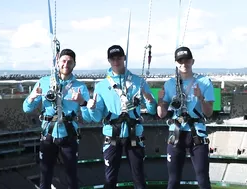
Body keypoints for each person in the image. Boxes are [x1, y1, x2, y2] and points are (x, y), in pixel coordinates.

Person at [87, 45, 157, 189]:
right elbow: (96, 117)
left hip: (134, 134)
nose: (116, 60)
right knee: (109, 180)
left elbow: (152, 110)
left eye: (119, 57)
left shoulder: (139, 82)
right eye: (113, 58)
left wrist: (149, 99)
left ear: (124, 58)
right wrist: (93, 108)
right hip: (112, 135)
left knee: (139, 179)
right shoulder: (101, 86)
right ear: (108, 60)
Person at [23, 49, 92, 189]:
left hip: (69, 135)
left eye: (70, 62)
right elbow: (26, 108)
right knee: (45, 175)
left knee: (71, 176)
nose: (66, 64)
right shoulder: (44, 82)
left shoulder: (80, 87)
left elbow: (88, 118)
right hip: (48, 134)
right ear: (58, 62)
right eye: (63, 61)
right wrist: (32, 97)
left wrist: (82, 103)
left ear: (74, 64)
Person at [157, 46, 214, 189]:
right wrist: (160, 100)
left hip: (197, 133)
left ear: (192, 61)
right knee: (173, 180)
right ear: (176, 63)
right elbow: (161, 114)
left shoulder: (204, 82)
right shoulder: (170, 84)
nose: (184, 64)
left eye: (187, 60)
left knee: (203, 179)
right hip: (176, 132)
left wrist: (200, 97)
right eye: (180, 61)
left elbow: (208, 113)